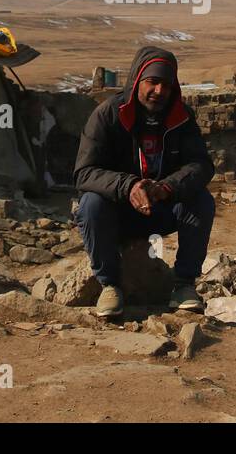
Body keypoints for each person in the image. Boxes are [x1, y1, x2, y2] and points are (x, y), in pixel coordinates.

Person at [73, 46, 215, 318]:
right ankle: (110, 285)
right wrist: (128, 186)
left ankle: (184, 284)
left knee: (201, 200)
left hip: (162, 208)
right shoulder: (108, 115)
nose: (159, 91)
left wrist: (167, 187)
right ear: (138, 79)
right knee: (90, 203)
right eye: (153, 82)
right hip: (119, 212)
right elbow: (85, 172)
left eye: (166, 84)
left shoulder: (181, 117)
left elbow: (201, 165)